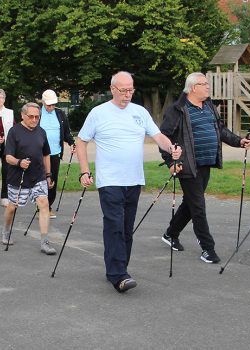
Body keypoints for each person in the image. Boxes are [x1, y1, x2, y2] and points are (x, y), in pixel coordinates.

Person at [77, 71, 181, 293]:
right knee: (114, 225)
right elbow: (81, 141)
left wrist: (171, 147)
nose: (127, 94)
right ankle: (119, 275)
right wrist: (84, 171)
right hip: (109, 180)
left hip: (134, 180)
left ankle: (116, 268)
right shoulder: (99, 113)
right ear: (113, 89)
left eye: (131, 89)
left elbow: (158, 136)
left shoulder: (139, 112)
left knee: (125, 228)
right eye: (123, 90)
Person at [158, 72, 250, 264]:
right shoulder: (178, 109)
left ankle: (170, 233)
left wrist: (239, 141)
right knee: (198, 206)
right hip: (186, 165)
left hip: (205, 163)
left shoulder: (209, 106)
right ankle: (208, 249)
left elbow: (221, 130)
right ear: (193, 88)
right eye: (204, 84)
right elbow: (164, 138)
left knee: (192, 204)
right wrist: (171, 162)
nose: (208, 87)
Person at [2, 102, 56, 254]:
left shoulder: (41, 132)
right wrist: (19, 162)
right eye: (31, 116)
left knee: (44, 204)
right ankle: (6, 231)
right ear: (23, 115)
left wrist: (48, 174)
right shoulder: (14, 132)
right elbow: (8, 157)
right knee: (13, 207)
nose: (34, 120)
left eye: (37, 117)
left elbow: (46, 154)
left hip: (38, 176)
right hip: (18, 177)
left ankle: (45, 242)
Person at [38, 89, 75, 219]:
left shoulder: (59, 114)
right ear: (42, 102)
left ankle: (48, 206)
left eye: (53, 104)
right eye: (49, 105)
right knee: (41, 180)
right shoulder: (37, 113)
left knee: (52, 180)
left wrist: (71, 143)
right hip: (39, 153)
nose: (51, 107)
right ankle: (42, 207)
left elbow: (66, 132)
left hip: (55, 153)